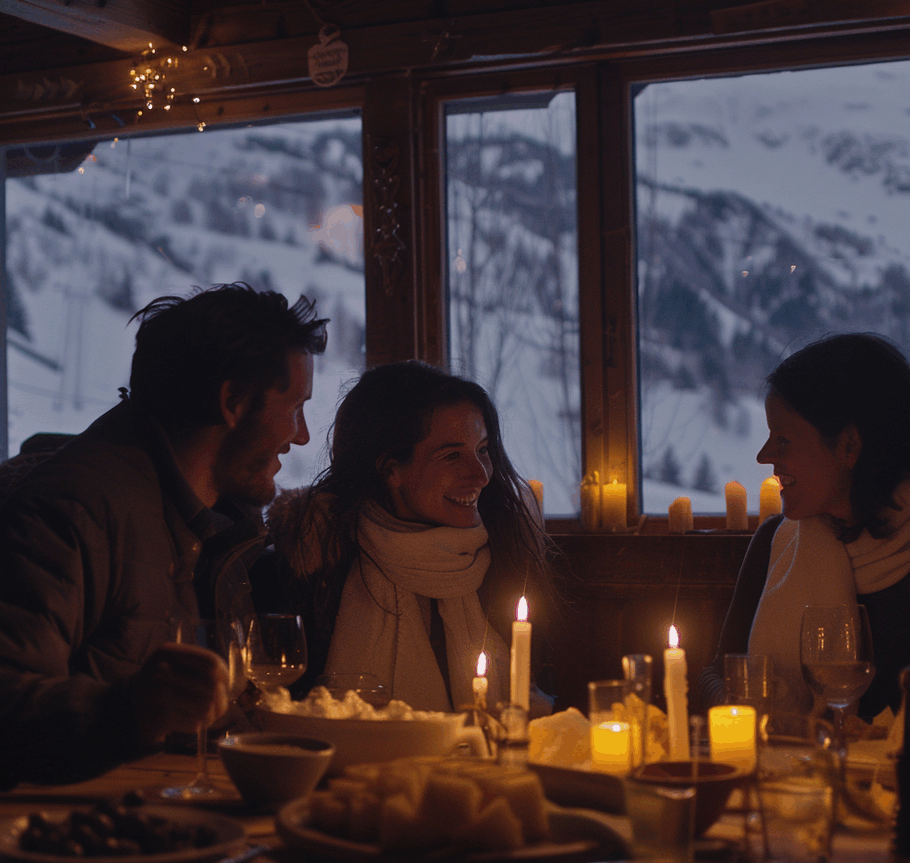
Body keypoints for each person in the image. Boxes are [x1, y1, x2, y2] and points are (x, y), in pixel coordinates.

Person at [0, 282, 328, 787]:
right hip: (94, 844)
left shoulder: (219, 523)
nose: (301, 434)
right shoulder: (74, 512)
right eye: (294, 407)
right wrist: (126, 711)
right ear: (233, 402)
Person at [697, 333, 910, 749]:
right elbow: (718, 671)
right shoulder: (775, 544)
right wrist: (750, 712)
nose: (763, 456)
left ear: (849, 446)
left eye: (782, 440)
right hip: (809, 790)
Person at [263, 360, 553, 714]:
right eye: (451, 456)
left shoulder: (506, 559)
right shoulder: (317, 566)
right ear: (390, 469)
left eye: (482, 450)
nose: (480, 475)